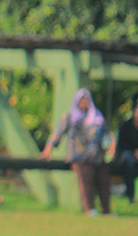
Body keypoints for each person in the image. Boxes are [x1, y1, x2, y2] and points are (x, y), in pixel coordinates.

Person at [40, 88, 111, 216]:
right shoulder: (71, 117)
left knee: (104, 181)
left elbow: (107, 133)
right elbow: (58, 133)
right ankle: (89, 209)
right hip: (79, 157)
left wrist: (110, 146)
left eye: (86, 100)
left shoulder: (97, 116)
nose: (84, 102)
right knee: (86, 181)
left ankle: (106, 210)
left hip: (97, 156)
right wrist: (48, 148)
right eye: (81, 100)